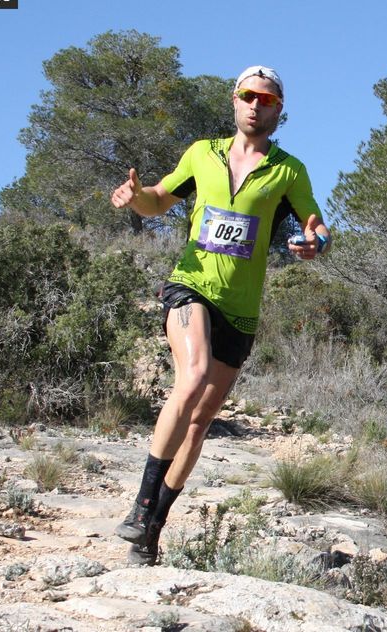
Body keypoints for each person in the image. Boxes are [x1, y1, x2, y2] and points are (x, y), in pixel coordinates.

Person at [109, 65, 330, 565]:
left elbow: (314, 223)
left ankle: (152, 529)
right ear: (234, 100)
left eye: (267, 100)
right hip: (191, 286)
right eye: (248, 96)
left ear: (279, 111)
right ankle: (140, 506)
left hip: (241, 310)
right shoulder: (202, 153)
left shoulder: (288, 170)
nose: (256, 105)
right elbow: (158, 199)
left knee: (199, 422)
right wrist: (135, 197)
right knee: (191, 378)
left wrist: (316, 242)